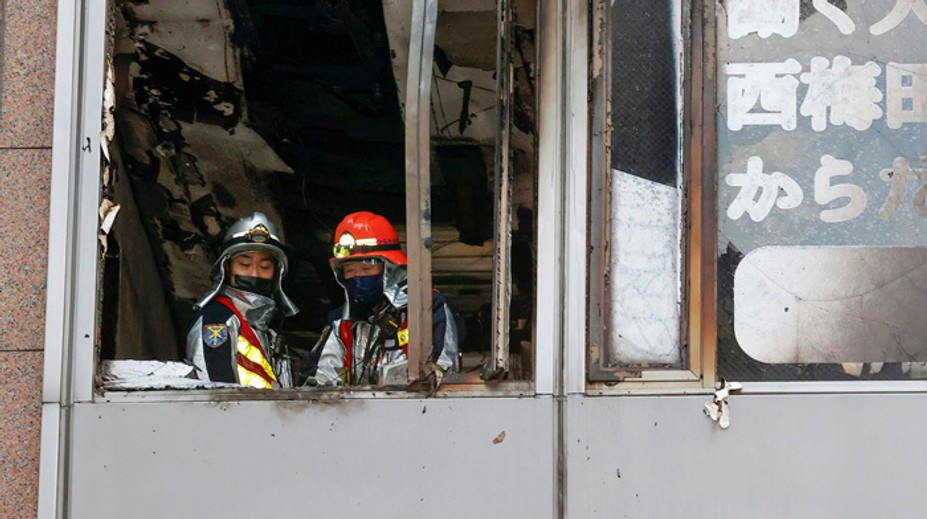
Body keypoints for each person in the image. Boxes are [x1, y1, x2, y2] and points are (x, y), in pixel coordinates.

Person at [308, 211, 462, 386]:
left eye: (366, 269)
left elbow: (443, 374)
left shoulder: (428, 308)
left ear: (390, 269)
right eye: (350, 271)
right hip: (355, 412)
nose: (357, 277)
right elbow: (320, 380)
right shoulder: (341, 322)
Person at [186, 212, 299, 388]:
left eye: (265, 266)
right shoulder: (217, 319)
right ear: (227, 268)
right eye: (245, 265)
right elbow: (216, 396)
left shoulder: (267, 326)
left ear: (276, 274)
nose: (254, 274)